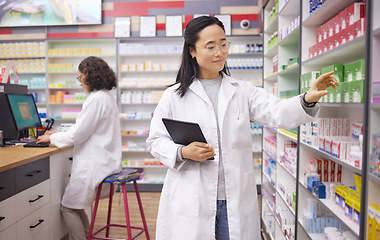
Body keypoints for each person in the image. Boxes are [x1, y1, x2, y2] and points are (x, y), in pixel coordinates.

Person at [146, 16, 338, 240]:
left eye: (223, 44)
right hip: (192, 200)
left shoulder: (242, 91)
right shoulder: (174, 96)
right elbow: (155, 141)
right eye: (211, 46)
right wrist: (183, 152)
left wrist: (307, 99)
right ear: (192, 51)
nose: (220, 52)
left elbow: (278, 113)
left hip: (233, 202)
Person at [37, 56, 122, 240]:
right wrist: (57, 134)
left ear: (90, 76)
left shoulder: (96, 99)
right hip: (104, 162)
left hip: (95, 165)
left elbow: (77, 135)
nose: (80, 82)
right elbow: (84, 128)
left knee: (67, 207)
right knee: (74, 205)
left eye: (80, 77)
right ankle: (86, 236)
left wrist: (51, 138)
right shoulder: (106, 97)